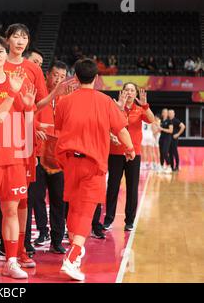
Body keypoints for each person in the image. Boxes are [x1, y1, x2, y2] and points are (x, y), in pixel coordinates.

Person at [54, 58, 135, 281]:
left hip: (69, 161)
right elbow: (121, 130)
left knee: (74, 207)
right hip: (93, 163)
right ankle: (72, 256)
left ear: (76, 77)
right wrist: (130, 148)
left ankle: (74, 253)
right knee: (87, 210)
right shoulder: (106, 102)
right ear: (97, 79)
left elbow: (60, 129)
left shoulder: (64, 101)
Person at [0, 34, 36, 279]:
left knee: (11, 210)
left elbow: (27, 113)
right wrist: (12, 94)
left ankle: (11, 260)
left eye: (1, 51)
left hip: (14, 156)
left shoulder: (19, 81)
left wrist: (29, 104)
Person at [25, 60, 69, 254]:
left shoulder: (68, 99)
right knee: (36, 197)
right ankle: (43, 231)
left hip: (58, 156)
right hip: (37, 153)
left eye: (62, 76)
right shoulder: (37, 94)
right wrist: (34, 129)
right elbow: (26, 114)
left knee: (59, 199)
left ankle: (57, 239)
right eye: (55, 75)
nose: (58, 79)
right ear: (47, 75)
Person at [102, 83, 155, 232]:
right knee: (112, 186)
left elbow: (151, 120)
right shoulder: (114, 107)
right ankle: (108, 219)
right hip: (115, 153)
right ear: (122, 92)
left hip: (134, 154)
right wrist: (119, 108)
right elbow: (106, 125)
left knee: (132, 188)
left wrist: (145, 106)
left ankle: (129, 221)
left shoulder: (139, 110)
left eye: (132, 90)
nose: (130, 93)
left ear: (136, 93)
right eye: (127, 90)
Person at [159, 108, 174, 173]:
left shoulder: (169, 121)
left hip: (167, 138)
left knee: (165, 152)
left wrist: (162, 129)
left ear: (167, 114)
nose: (164, 113)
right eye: (163, 112)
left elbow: (171, 131)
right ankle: (161, 166)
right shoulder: (161, 121)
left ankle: (169, 166)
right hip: (161, 138)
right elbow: (160, 129)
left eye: (165, 112)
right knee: (161, 153)